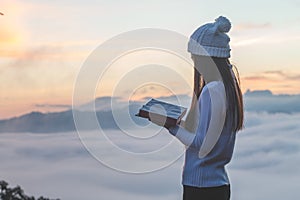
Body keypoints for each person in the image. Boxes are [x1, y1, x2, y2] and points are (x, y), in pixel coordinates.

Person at [150, 16, 244, 200]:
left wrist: (170, 125)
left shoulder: (212, 91)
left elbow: (202, 144)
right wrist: (180, 123)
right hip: (219, 185)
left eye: (195, 56)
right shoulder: (228, 88)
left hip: (201, 188)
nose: (193, 61)